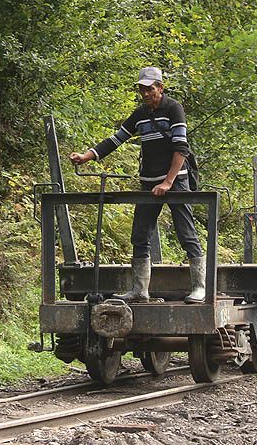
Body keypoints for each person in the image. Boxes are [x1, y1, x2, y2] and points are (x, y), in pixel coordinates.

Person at [69, 67, 204, 304]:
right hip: (148, 183)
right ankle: (140, 290)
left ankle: (200, 288)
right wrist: (85, 156)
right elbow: (116, 139)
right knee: (140, 235)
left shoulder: (174, 108)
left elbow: (181, 147)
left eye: (150, 89)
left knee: (186, 233)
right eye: (142, 90)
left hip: (176, 181)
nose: (145, 94)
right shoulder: (141, 113)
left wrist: (168, 182)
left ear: (160, 88)